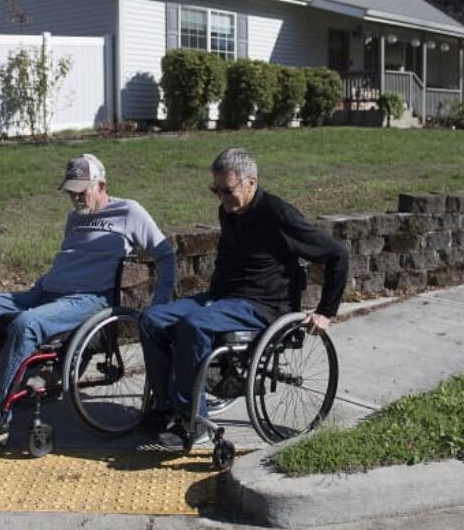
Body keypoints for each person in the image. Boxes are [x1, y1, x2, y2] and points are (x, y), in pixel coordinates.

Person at [0, 153, 175, 447]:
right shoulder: (74, 217)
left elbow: (165, 255)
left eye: (81, 191)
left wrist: (160, 302)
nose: (75, 198)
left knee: (26, 325)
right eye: (70, 192)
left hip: (87, 299)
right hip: (46, 292)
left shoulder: (129, 212)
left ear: (101, 185)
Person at [138, 147, 348, 448]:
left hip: (262, 306)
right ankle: (166, 408)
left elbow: (337, 254)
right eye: (216, 190)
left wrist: (326, 312)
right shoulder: (229, 211)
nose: (222, 198)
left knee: (193, 325)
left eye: (228, 190)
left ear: (251, 182)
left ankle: (192, 421)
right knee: (151, 320)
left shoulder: (278, 214)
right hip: (223, 299)